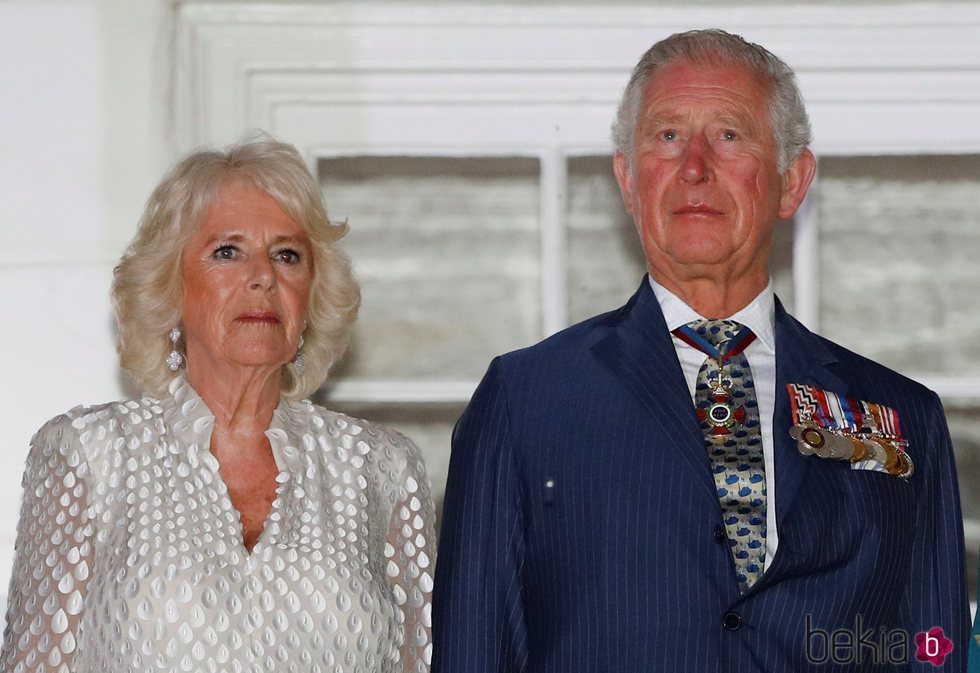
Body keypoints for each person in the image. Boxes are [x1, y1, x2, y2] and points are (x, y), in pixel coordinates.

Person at [432, 29, 968, 672]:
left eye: (729, 135)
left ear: (792, 182)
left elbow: (930, 650)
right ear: (628, 182)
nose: (694, 166)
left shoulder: (903, 418)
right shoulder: (527, 401)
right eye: (666, 136)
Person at [1, 133, 435, 672]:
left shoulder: (381, 467)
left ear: (313, 295)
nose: (262, 277)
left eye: (287, 255)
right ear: (170, 286)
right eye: (227, 252)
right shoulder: (89, 457)